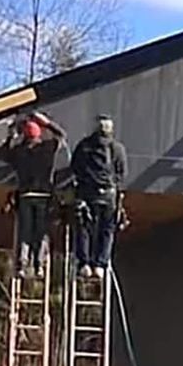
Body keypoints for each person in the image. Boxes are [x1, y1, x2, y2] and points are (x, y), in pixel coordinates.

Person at [0, 111, 65, 278]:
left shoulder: (19, 151)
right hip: (43, 195)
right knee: (41, 232)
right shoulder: (46, 149)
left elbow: (3, 154)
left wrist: (11, 135)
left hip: (25, 195)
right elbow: (61, 136)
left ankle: (22, 265)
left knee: (25, 232)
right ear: (39, 134)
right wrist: (47, 123)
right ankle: (39, 265)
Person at [68, 114, 128, 278]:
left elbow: (75, 168)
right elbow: (122, 173)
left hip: (87, 193)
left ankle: (84, 263)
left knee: (84, 228)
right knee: (107, 230)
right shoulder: (118, 149)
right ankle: (100, 265)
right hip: (108, 195)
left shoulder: (84, 146)